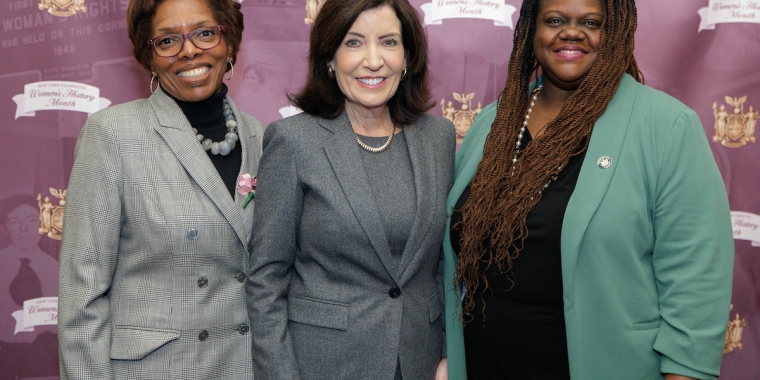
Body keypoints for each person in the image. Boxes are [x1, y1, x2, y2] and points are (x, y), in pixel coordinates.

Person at [443, 0, 734, 379]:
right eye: (555, 20)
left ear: (615, 34)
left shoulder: (667, 127)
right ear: (532, 31)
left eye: (592, 22)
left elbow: (697, 285)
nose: (572, 32)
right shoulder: (493, 122)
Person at [246, 0, 455, 379]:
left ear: (408, 57)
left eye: (389, 42)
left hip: (421, 364)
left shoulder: (437, 138)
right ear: (330, 57)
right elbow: (266, 280)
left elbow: (443, 265)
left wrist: (448, 356)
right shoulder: (294, 141)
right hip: (325, 365)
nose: (373, 61)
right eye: (354, 42)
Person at [57, 0, 264, 378]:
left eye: (205, 33)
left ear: (229, 42)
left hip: (245, 366)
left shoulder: (262, 138)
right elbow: (81, 298)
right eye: (168, 40)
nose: (189, 50)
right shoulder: (112, 135)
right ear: (149, 56)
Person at [0, 195, 60, 378]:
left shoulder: (55, 268)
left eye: (32, 220)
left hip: (43, 361)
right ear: (4, 230)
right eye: (14, 222)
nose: (24, 229)